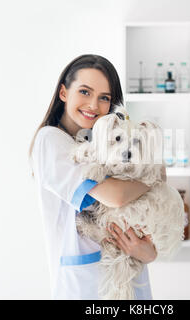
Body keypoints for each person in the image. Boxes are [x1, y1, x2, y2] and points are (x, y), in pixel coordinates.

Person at [28, 54, 162, 299]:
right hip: (87, 286)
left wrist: (148, 252)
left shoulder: (109, 143)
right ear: (63, 93)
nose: (93, 105)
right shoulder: (51, 140)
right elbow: (117, 196)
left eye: (104, 98)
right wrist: (154, 174)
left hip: (133, 278)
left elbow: (144, 220)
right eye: (85, 92)